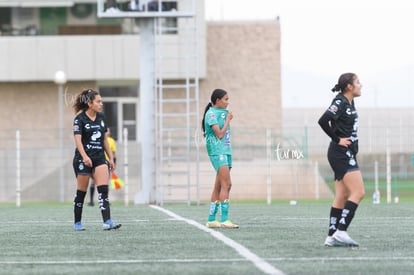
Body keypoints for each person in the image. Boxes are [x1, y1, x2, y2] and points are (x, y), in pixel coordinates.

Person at [318, 73, 365, 246]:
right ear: (349, 87)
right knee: (359, 192)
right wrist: (338, 139)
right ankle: (341, 231)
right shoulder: (340, 102)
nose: (361, 85)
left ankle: (331, 237)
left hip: (344, 153)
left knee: (342, 195)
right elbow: (323, 121)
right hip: (340, 153)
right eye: (358, 82)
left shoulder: (350, 102)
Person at [72, 89, 121, 231]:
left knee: (103, 190)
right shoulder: (79, 119)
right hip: (83, 160)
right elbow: (78, 141)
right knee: (82, 191)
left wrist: (110, 157)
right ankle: (77, 223)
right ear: (90, 103)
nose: (101, 103)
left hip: (99, 158)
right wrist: (85, 157)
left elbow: (104, 139)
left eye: (101, 101)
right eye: (98, 101)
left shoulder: (101, 117)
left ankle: (107, 221)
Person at [202, 89, 239, 229]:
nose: (227, 102)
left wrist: (227, 117)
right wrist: (228, 120)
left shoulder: (223, 112)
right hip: (217, 151)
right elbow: (219, 134)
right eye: (225, 99)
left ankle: (211, 219)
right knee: (227, 184)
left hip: (226, 150)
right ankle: (224, 219)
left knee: (218, 185)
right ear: (217, 100)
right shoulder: (210, 114)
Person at [88, 127, 117, 206]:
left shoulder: (111, 141)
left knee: (105, 182)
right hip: (97, 161)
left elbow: (113, 153)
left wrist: (113, 162)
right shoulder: (98, 139)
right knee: (93, 181)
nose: (107, 132)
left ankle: (105, 199)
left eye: (108, 131)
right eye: (106, 131)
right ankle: (91, 201)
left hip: (106, 164)